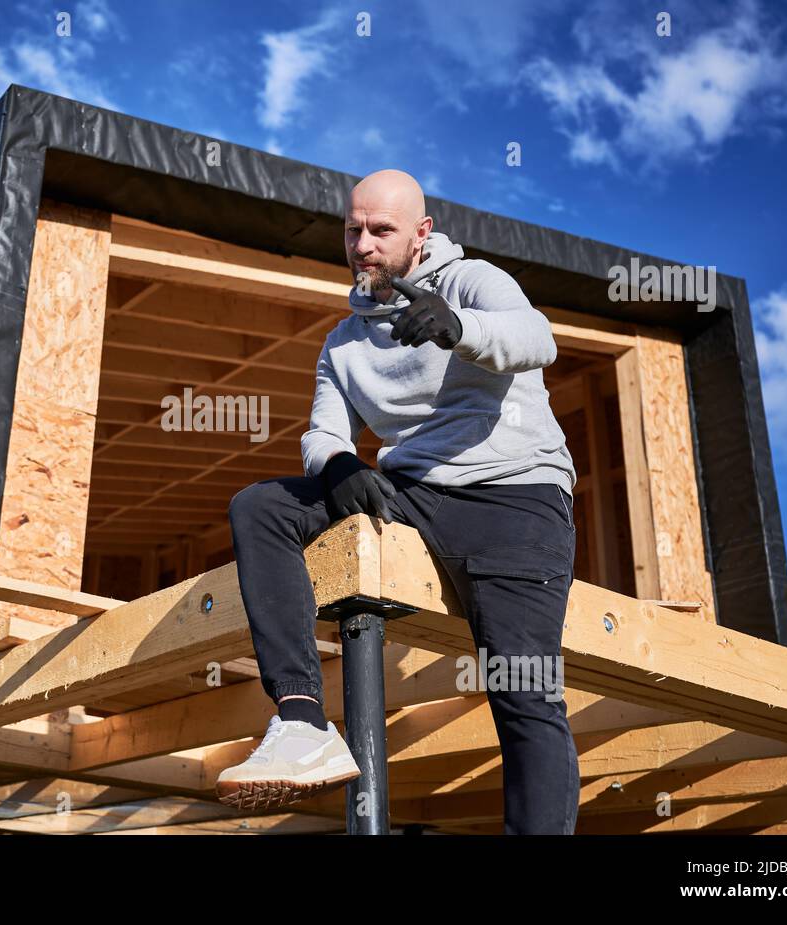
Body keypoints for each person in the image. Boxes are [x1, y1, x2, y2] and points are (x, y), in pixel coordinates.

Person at [215, 169, 580, 834]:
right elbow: (324, 430)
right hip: (410, 494)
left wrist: (456, 325)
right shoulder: (343, 342)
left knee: (524, 691)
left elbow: (538, 339)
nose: (364, 245)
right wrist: (339, 464)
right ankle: (301, 721)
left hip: (513, 497)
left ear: (421, 234)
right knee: (260, 506)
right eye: (353, 230)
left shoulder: (473, 282)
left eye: (381, 230)